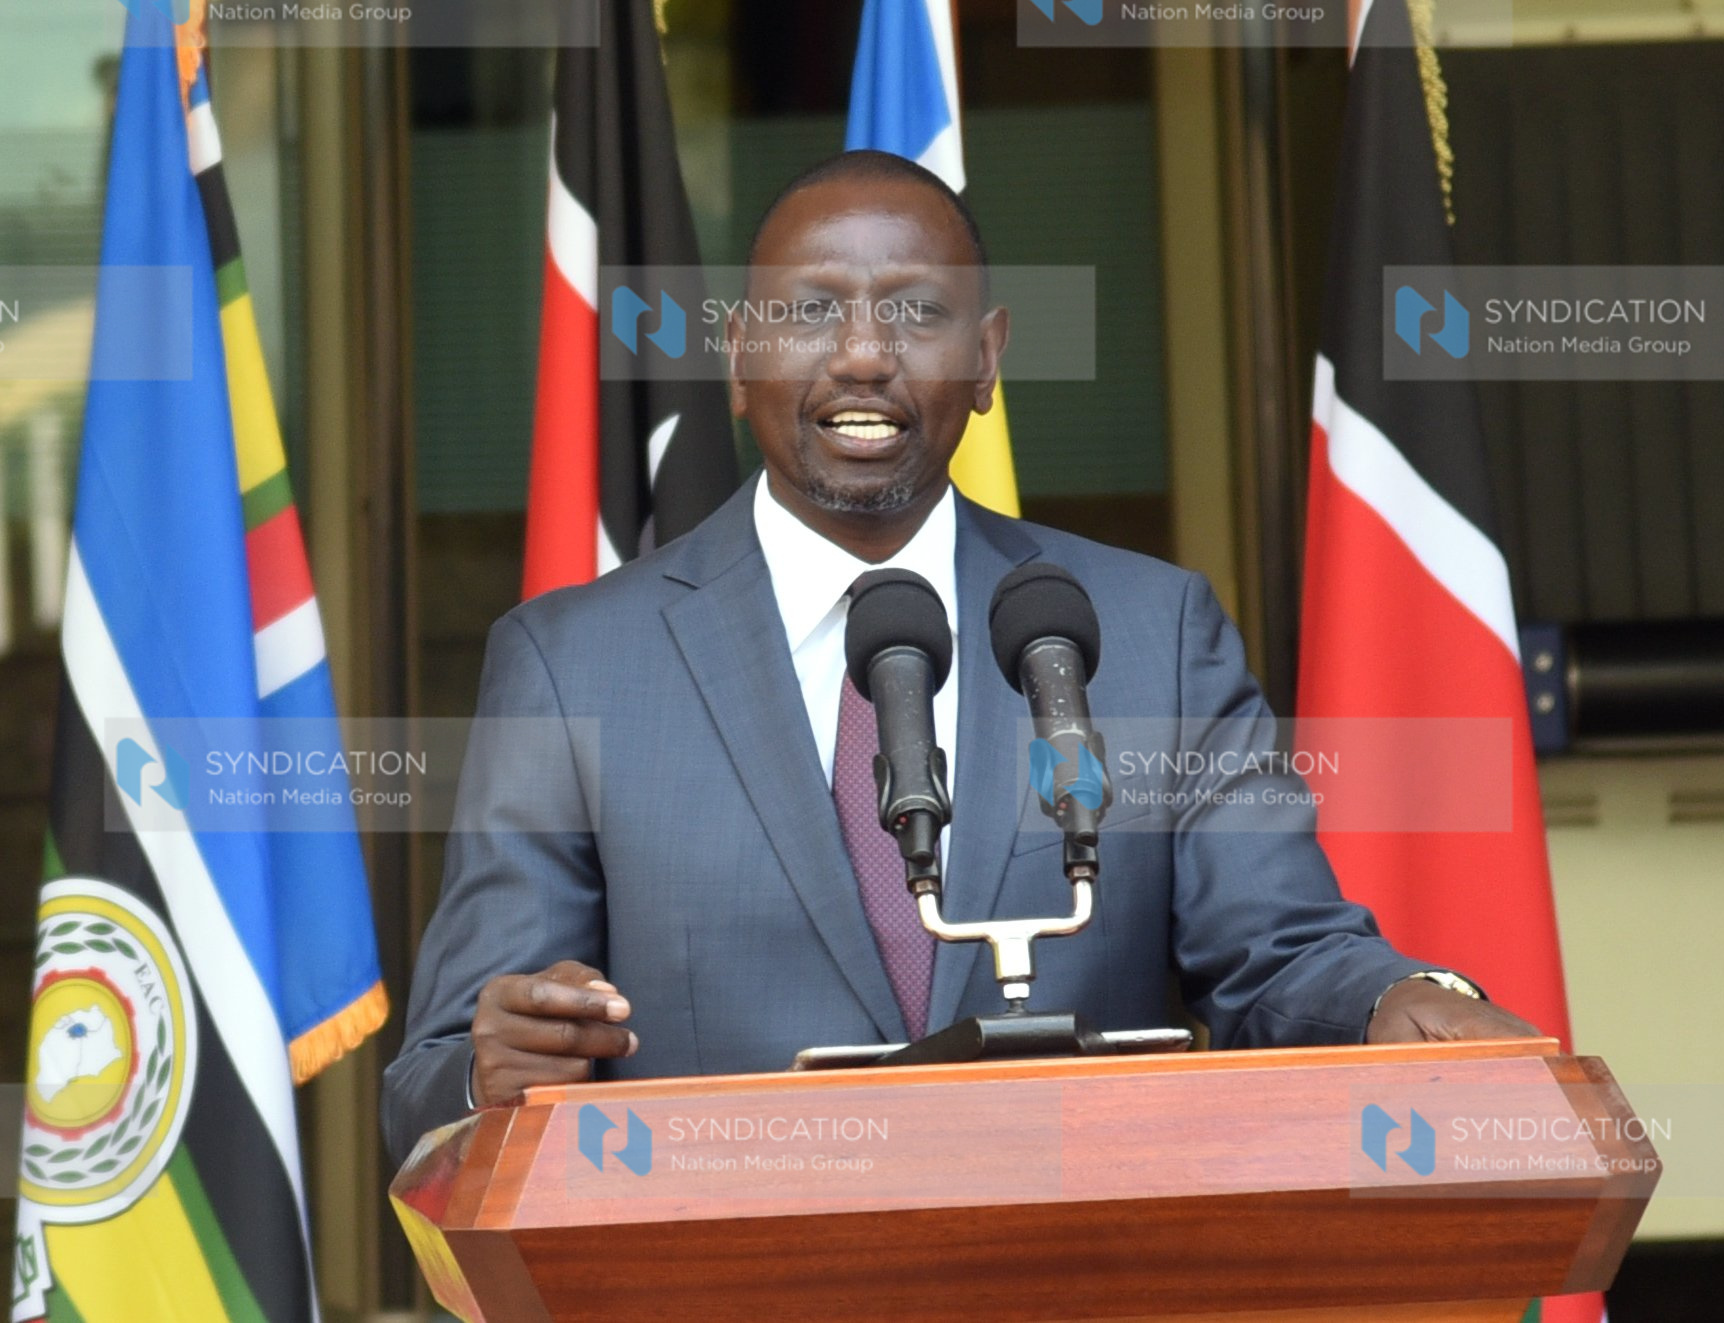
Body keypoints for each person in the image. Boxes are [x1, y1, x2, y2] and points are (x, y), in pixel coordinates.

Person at [381, 150, 1535, 1162]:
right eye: (809, 312)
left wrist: (1401, 999)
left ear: (986, 362)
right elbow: (429, 1083)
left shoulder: (1148, 635)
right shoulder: (571, 666)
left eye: (916, 312)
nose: (864, 356)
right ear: (735, 358)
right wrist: (496, 1071)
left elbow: (1277, 955)